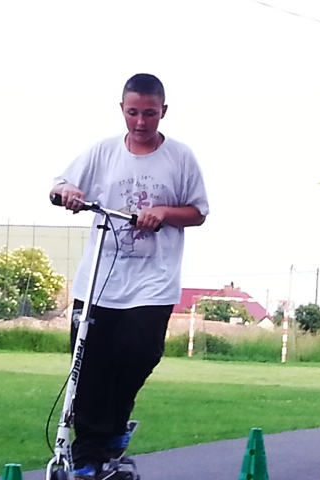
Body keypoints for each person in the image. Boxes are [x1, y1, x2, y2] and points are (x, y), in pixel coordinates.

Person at [49, 73, 209, 479]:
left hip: (153, 281)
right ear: (122, 109)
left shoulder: (180, 157)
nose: (140, 122)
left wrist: (164, 212)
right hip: (99, 279)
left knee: (139, 352)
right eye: (133, 112)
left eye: (149, 113)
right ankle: (88, 457)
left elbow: (198, 212)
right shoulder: (103, 152)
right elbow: (60, 185)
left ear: (163, 112)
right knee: (88, 366)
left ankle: (115, 426)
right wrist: (69, 193)